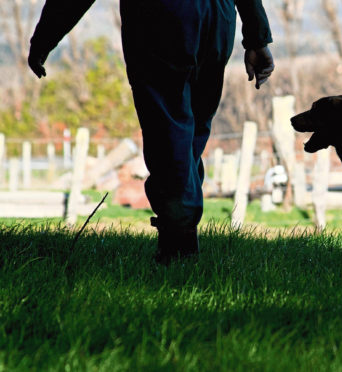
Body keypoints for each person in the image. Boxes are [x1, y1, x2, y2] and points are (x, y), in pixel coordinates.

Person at [28, 0, 274, 264]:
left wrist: (45, 37)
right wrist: (257, 38)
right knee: (192, 133)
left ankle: (179, 246)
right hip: (218, 18)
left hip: (162, 15)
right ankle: (181, 232)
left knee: (170, 131)